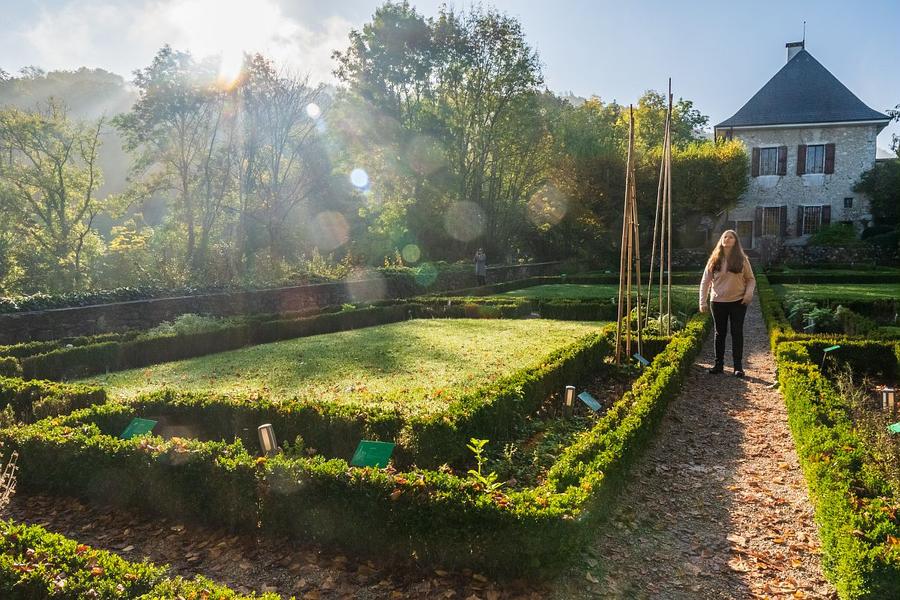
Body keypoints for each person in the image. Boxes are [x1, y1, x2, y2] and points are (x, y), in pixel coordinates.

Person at [699, 229, 755, 377]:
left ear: (735, 241)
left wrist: (748, 294)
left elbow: (751, 279)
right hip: (717, 302)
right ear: (721, 240)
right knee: (720, 333)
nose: (727, 239)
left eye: (731, 237)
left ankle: (738, 367)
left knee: (737, 333)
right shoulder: (714, 259)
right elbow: (705, 282)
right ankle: (718, 365)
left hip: (738, 302)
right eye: (725, 237)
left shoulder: (742, 260)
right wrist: (702, 301)